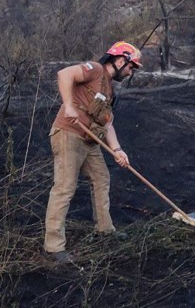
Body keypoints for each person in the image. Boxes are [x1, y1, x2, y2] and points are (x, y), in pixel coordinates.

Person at [44, 41, 143, 263]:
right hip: (69, 134)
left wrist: (118, 150)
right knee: (65, 188)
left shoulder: (109, 89)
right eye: (130, 67)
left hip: (89, 141)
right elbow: (64, 74)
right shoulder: (95, 70)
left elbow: (107, 124)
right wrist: (68, 105)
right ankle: (53, 247)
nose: (130, 72)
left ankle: (104, 229)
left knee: (101, 178)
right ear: (119, 61)